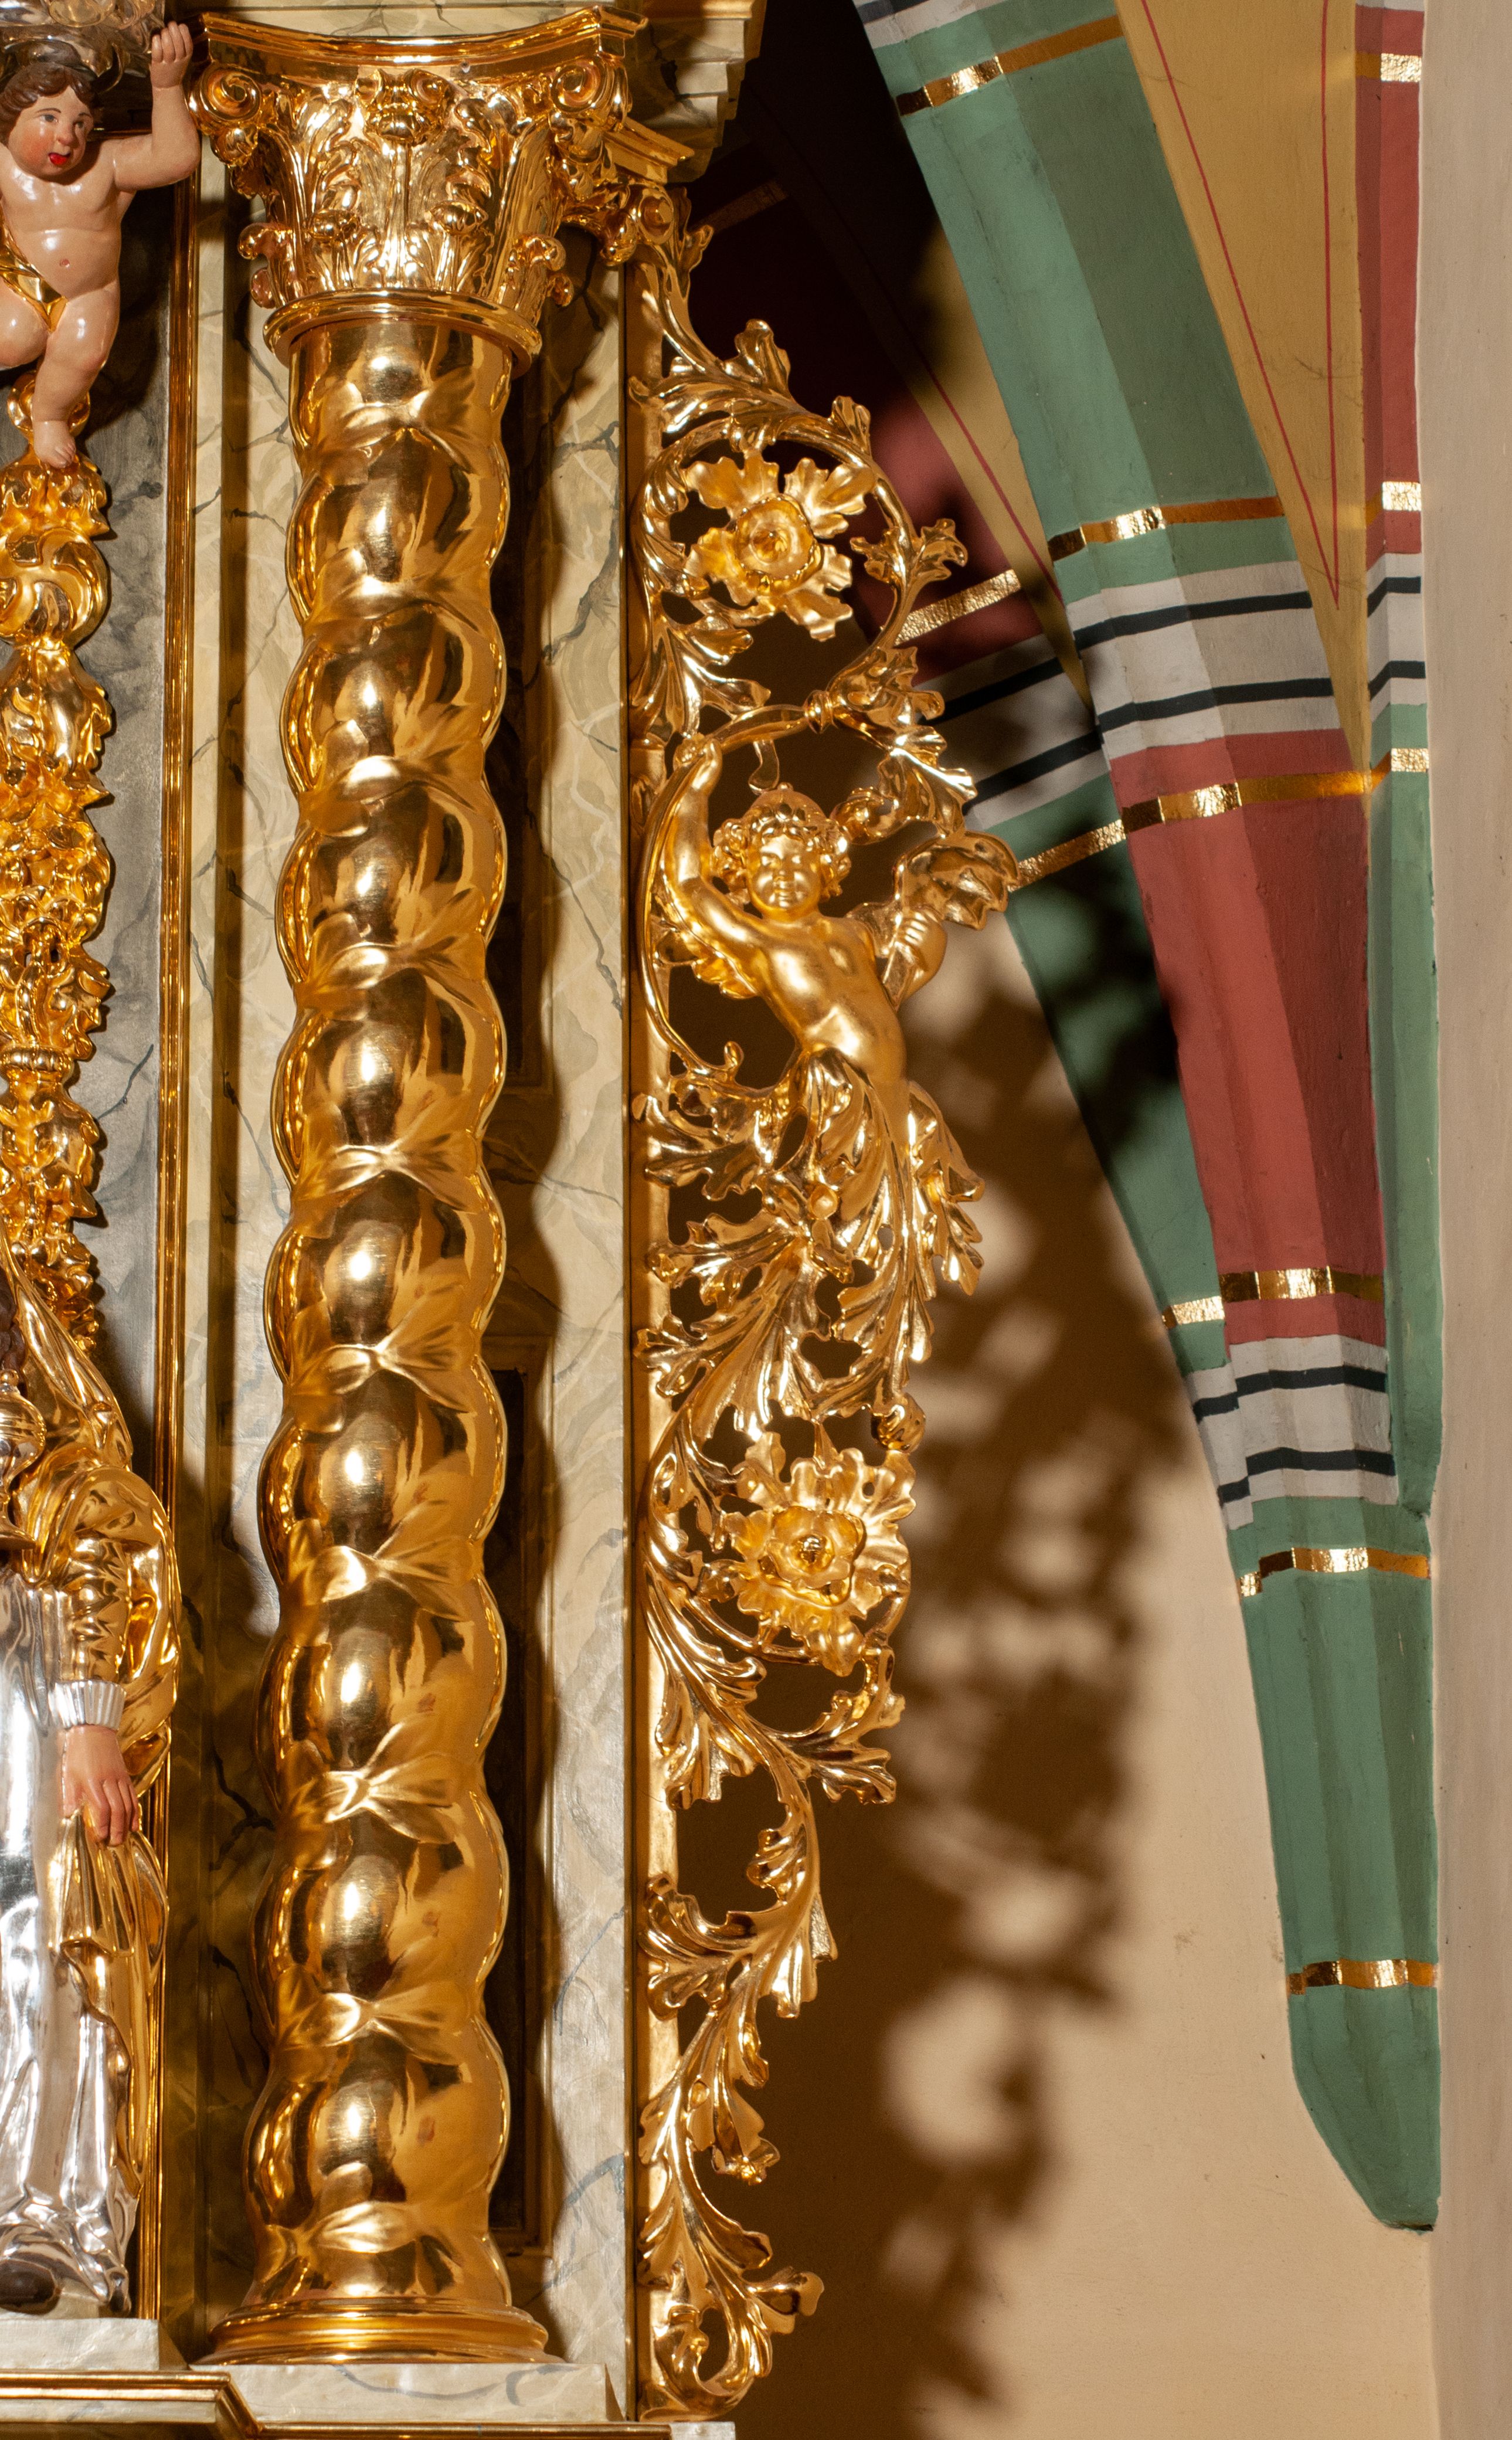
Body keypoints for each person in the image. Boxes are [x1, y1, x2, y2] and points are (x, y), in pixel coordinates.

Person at [0, 1233, 178, 2312]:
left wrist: (86, 1715)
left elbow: (85, 1531)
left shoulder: (45, 1439)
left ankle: (38, 2217)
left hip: (19, 1670)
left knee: (31, 1932)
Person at [0, 22, 196, 469]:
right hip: (20, 283)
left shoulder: (107, 163)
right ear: (11, 119)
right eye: (49, 118)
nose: (67, 137)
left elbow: (176, 159)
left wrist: (167, 87)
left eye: (81, 123)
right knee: (10, 341)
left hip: (90, 295)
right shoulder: (5, 163)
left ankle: (49, 418)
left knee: (85, 355)